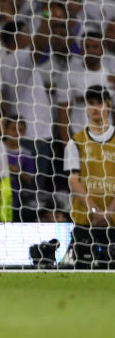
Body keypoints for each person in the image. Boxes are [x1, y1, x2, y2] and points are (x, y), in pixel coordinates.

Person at [65, 85, 115, 269]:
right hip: (85, 221)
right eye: (91, 103)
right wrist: (95, 210)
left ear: (108, 105)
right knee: (82, 273)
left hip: (113, 221)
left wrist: (108, 212)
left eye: (99, 103)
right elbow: (73, 180)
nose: (95, 107)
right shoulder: (76, 141)